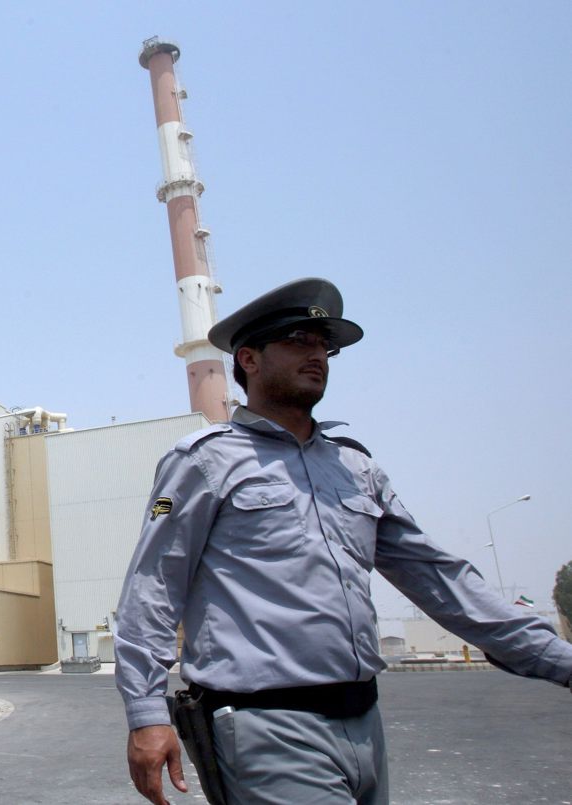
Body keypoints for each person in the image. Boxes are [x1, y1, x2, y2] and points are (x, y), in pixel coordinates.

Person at [114, 277, 572, 805]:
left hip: (365, 726)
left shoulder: (355, 468)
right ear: (249, 359)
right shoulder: (206, 460)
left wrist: (560, 662)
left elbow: (441, 580)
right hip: (269, 728)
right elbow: (152, 590)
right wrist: (146, 714)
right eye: (298, 341)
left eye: (324, 345)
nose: (318, 355)